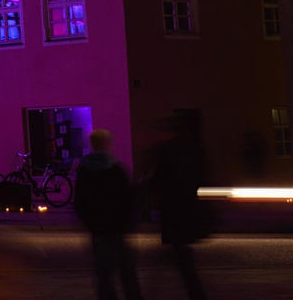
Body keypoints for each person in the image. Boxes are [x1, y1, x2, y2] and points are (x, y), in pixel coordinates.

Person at [75, 129, 145, 300]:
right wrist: (130, 222)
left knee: (104, 276)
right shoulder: (116, 170)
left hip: (98, 230)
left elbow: (80, 202)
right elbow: (128, 199)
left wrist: (89, 223)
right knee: (127, 273)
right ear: (107, 145)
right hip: (117, 229)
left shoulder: (85, 171)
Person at [150, 121, 209, 300]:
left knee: (182, 261)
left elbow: (158, 179)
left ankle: (196, 294)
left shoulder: (167, 151)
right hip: (187, 211)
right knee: (183, 259)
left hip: (173, 212)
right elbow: (201, 178)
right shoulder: (194, 151)